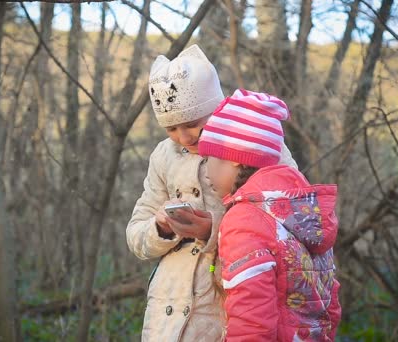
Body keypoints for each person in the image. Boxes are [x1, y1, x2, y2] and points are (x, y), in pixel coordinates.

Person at [126, 46, 298, 341]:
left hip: (232, 307)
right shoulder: (163, 156)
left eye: (193, 124)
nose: (184, 137)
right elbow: (136, 237)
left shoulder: (257, 141)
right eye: (171, 128)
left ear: (216, 108)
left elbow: (295, 224)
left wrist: (214, 230)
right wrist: (161, 228)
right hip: (167, 313)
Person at [198, 89, 341, 341]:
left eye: (208, 156)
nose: (205, 170)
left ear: (234, 158)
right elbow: (331, 303)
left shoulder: (244, 220)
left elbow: (251, 318)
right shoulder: (306, 212)